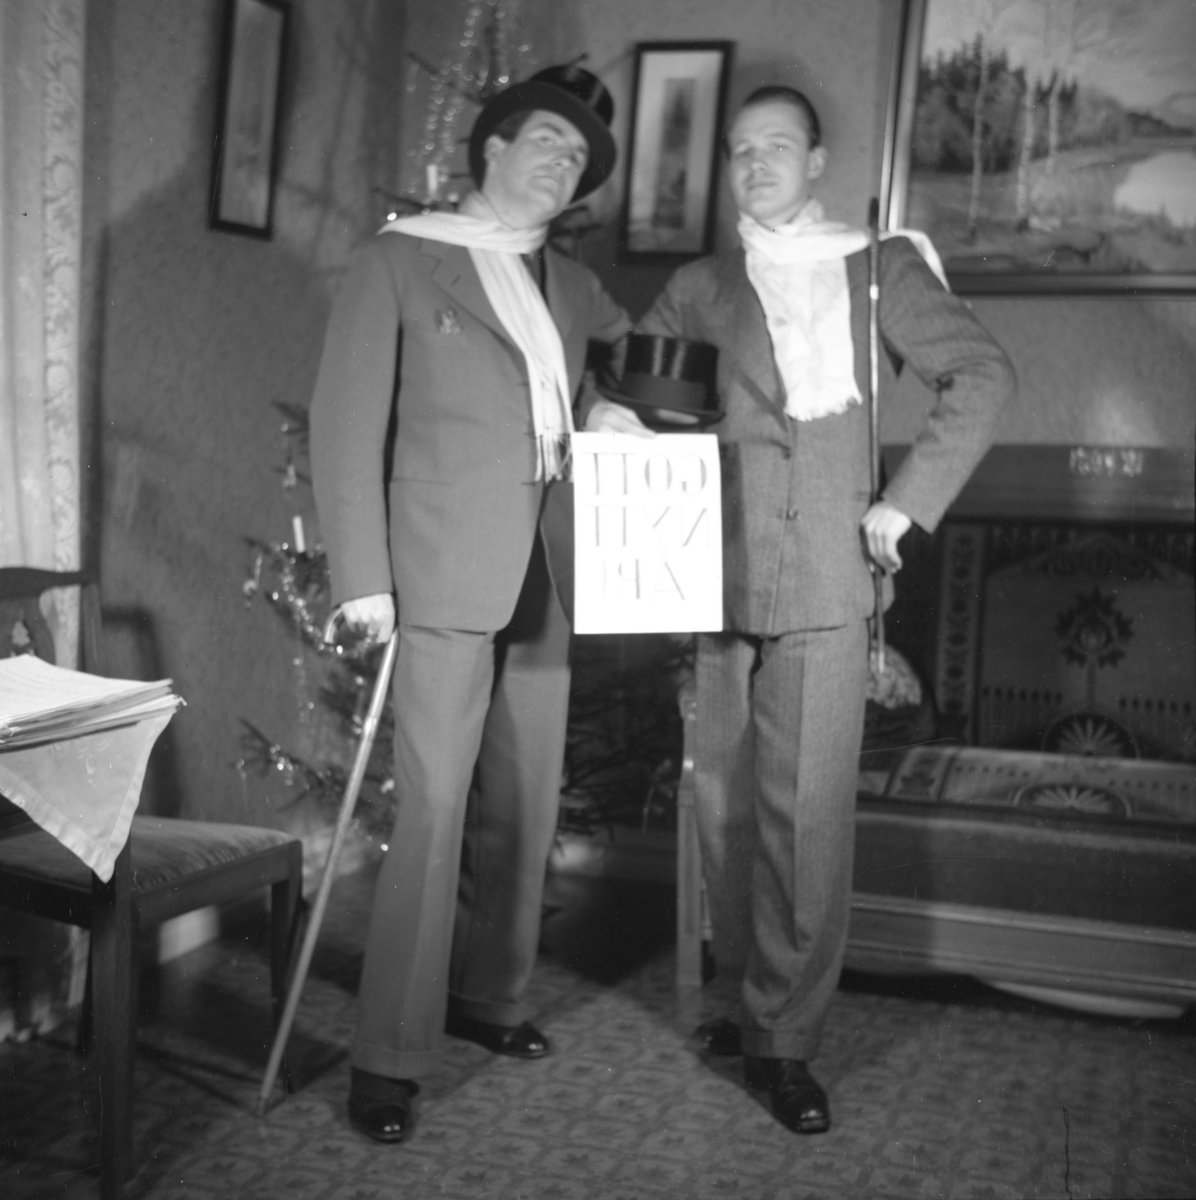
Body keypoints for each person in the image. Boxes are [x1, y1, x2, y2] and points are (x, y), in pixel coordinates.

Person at [629, 86, 1016, 1135]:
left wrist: (906, 502)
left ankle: (786, 1041)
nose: (755, 164)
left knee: (803, 818)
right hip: (715, 577)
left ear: (816, 160)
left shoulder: (878, 269)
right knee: (723, 805)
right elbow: (630, 395)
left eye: (777, 146)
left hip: (828, 581)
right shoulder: (700, 284)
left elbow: (982, 374)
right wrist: (619, 431)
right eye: (739, 150)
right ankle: (751, 1000)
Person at [308, 63, 640, 1144]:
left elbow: (620, 370)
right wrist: (362, 578)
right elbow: (345, 425)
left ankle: (488, 997)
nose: (560, 164)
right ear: (491, 147)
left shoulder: (573, 285)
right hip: (440, 571)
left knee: (525, 804)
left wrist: (614, 409)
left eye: (577, 158)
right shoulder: (401, 260)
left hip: (548, 571)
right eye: (544, 140)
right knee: (437, 807)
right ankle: (390, 1054)